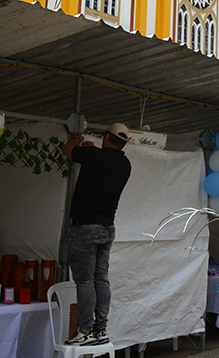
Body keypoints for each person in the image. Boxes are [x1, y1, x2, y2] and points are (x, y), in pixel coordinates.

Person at [62, 123, 132, 346]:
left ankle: (84, 331)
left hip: (85, 228)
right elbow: (101, 163)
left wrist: (76, 139)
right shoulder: (124, 164)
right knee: (101, 278)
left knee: (84, 280)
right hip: (107, 227)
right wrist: (92, 150)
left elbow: (67, 150)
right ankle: (100, 329)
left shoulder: (94, 156)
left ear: (107, 137)